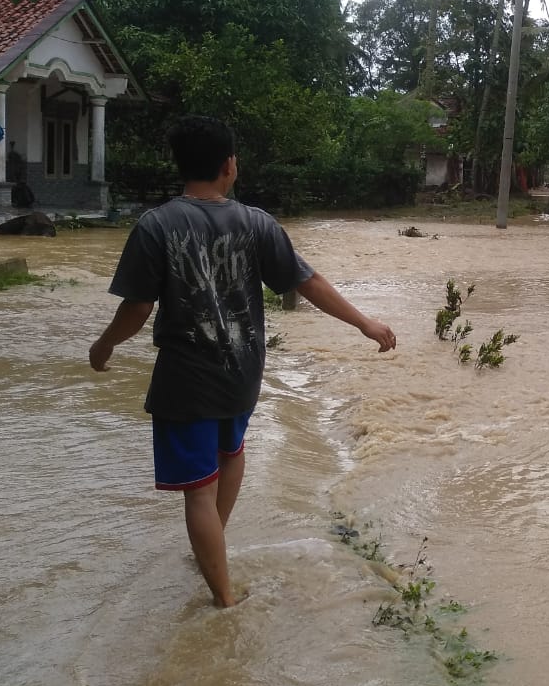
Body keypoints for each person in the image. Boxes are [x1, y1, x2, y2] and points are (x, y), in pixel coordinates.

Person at [89, 115, 395, 607]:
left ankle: (224, 600)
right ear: (229, 166)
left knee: (197, 492)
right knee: (230, 454)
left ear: (181, 165)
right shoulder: (257, 223)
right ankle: (214, 545)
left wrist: (104, 345)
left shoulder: (156, 225)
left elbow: (139, 308)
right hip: (243, 370)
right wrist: (366, 323)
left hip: (186, 379)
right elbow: (306, 283)